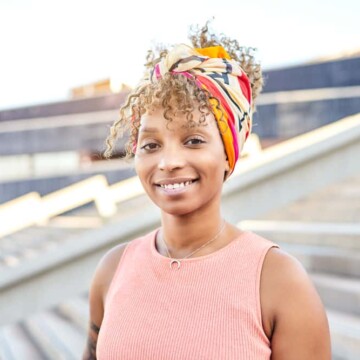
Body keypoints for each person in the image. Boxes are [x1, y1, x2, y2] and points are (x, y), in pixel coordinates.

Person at [83, 24, 331, 359]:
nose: (169, 161)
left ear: (228, 153)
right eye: (151, 144)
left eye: (194, 140)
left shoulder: (279, 282)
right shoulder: (112, 270)